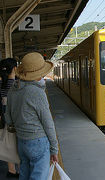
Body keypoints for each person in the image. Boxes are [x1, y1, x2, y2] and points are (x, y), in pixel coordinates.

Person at [5, 52, 59, 180]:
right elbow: (48, 123)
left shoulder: (13, 89)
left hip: (21, 141)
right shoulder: (36, 92)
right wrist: (54, 149)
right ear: (39, 74)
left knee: (24, 174)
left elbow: (8, 118)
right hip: (38, 142)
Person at [0, 58, 18, 178]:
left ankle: (11, 170)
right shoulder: (16, 84)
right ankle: (17, 169)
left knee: (7, 142)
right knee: (15, 142)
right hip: (13, 116)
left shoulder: (1, 83)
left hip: (3, 116)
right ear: (15, 69)